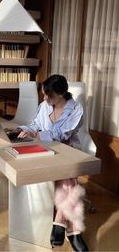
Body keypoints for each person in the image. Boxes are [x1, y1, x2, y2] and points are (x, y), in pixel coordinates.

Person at [17, 74, 88, 252]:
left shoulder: (76, 109)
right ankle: (72, 230)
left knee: (68, 174)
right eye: (44, 94)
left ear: (62, 92)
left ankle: (61, 221)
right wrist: (22, 130)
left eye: (50, 95)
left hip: (68, 150)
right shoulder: (44, 106)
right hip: (46, 150)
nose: (45, 98)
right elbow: (34, 124)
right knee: (70, 178)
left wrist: (37, 135)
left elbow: (63, 136)